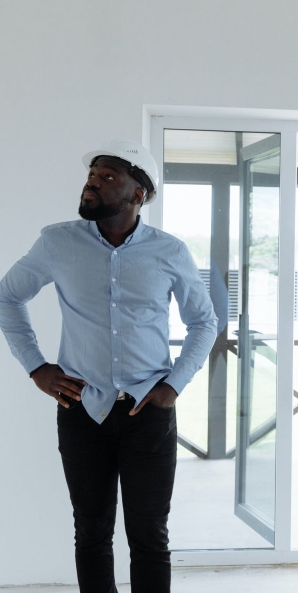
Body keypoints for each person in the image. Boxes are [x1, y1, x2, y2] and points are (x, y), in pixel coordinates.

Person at [0, 140, 218, 592]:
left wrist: (174, 385)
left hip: (148, 413)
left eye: (107, 177)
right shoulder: (57, 242)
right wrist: (36, 367)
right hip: (81, 410)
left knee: (150, 536)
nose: (92, 183)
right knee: (92, 532)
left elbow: (204, 322)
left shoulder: (170, 251)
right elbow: (7, 297)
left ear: (138, 194)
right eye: (91, 175)